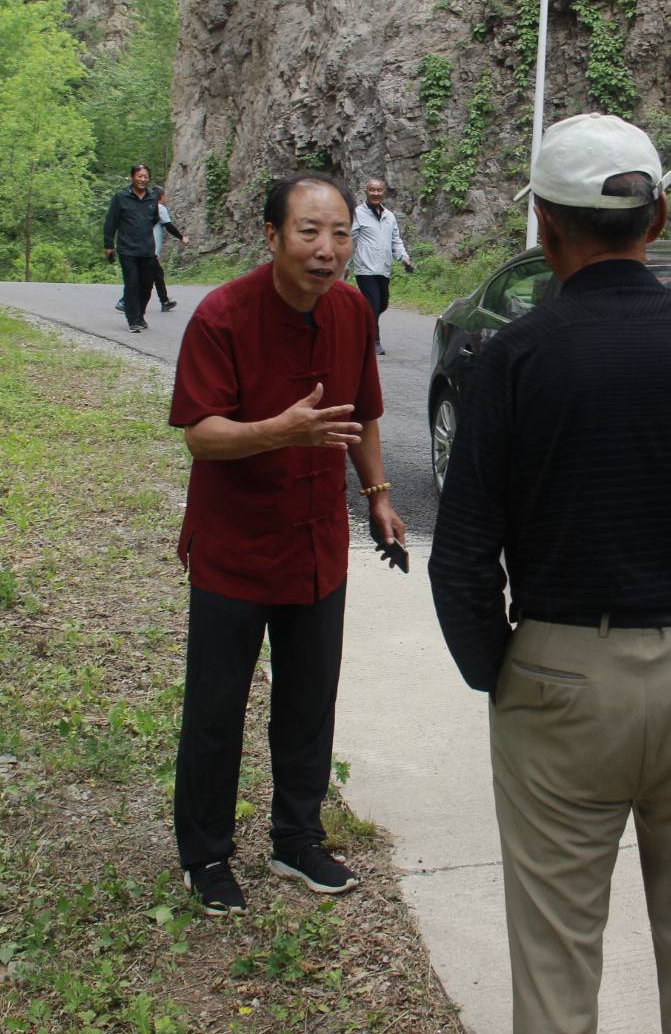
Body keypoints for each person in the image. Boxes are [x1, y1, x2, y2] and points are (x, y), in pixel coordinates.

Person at [428, 113, 671, 1034]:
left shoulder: (512, 359)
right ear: (660, 215)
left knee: (556, 964)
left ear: (545, 224)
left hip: (560, 674)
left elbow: (464, 555)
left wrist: (504, 670)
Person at [168, 171, 406, 917]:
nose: (327, 249)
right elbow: (201, 437)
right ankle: (205, 854)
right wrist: (283, 430)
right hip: (235, 548)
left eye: (340, 233)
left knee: (309, 700)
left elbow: (364, 412)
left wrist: (378, 497)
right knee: (216, 708)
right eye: (309, 232)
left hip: (316, 544)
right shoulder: (222, 316)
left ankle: (297, 838)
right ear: (271, 237)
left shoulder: (349, 314)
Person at [349, 178, 412, 354]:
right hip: (365, 269)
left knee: (382, 304)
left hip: (383, 269)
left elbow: (395, 241)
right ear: (366, 192)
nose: (376, 194)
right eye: (372, 190)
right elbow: (350, 241)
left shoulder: (389, 216)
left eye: (379, 190)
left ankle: (361, 321)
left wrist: (404, 258)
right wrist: (345, 264)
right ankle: (374, 342)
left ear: (384, 192)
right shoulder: (358, 214)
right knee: (374, 305)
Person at [115, 172, 188, 315]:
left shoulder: (142, 206)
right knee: (147, 277)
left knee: (156, 275)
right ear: (160, 197)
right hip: (148, 249)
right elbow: (168, 226)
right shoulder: (159, 208)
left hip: (140, 248)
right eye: (164, 196)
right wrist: (181, 237)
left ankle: (164, 301)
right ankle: (125, 301)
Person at [103, 163, 164, 333]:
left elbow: (154, 219)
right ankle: (132, 320)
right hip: (127, 249)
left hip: (147, 249)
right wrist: (108, 245)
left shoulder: (153, 197)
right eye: (139, 176)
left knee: (146, 284)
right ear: (132, 177)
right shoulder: (121, 197)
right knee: (132, 283)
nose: (143, 179)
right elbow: (111, 222)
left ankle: (140, 314)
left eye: (145, 176)